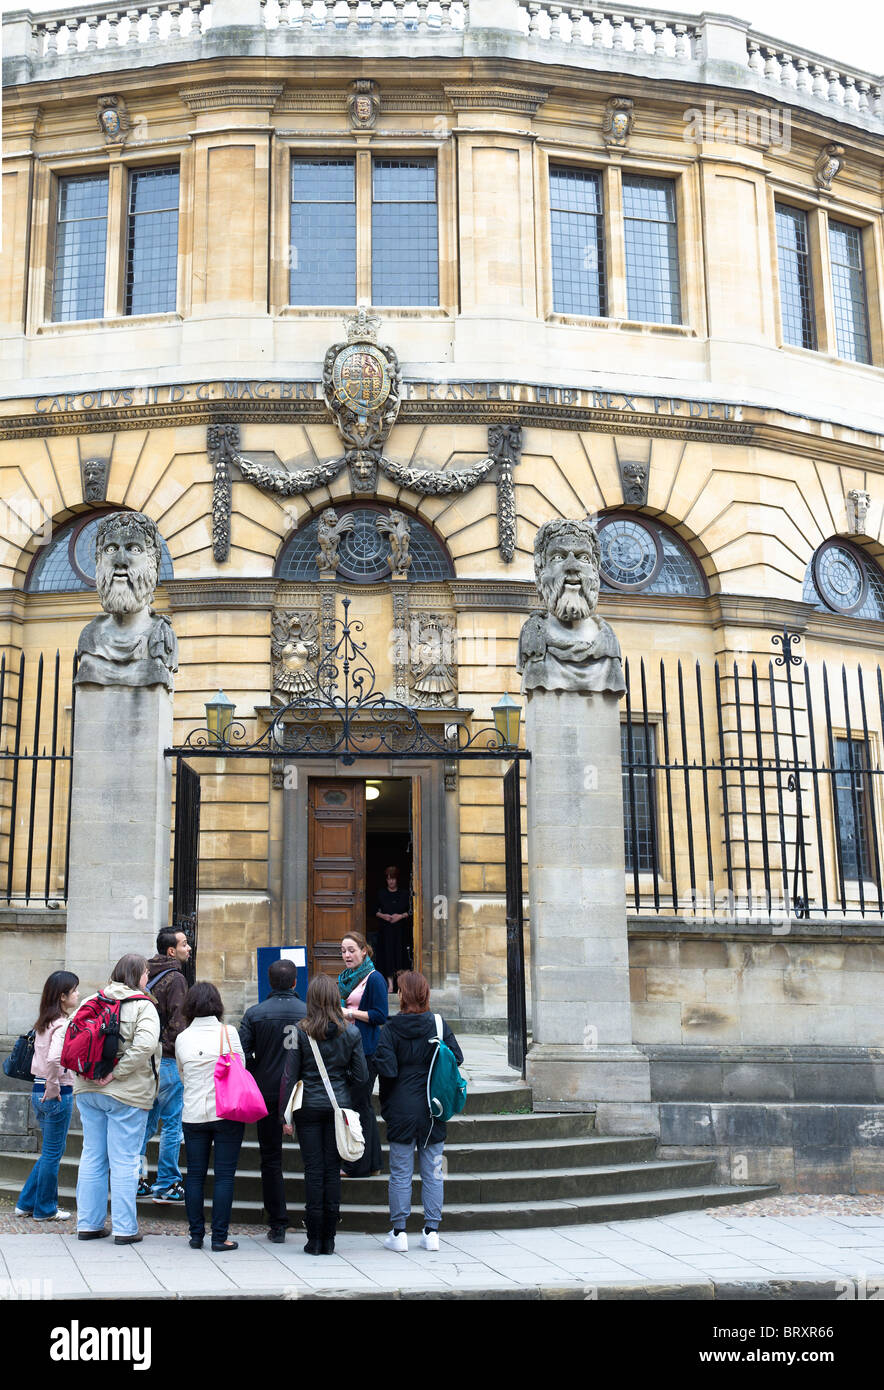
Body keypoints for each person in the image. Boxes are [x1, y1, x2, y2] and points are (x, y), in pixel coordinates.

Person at [74, 954, 161, 1245]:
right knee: (124, 1160)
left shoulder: (90, 1001)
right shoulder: (142, 1005)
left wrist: (93, 1074)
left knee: (92, 1156)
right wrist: (117, 1073)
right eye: (147, 974)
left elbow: (71, 1043)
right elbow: (146, 1045)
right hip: (127, 1092)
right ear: (138, 976)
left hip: (87, 1090)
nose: (148, 979)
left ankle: (88, 1224)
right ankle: (125, 1228)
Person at [375, 970, 463, 1253]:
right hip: (432, 1107)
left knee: (400, 1172)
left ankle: (399, 1233)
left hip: (401, 1107)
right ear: (425, 994)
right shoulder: (437, 1024)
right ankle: (431, 1231)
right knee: (434, 1171)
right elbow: (457, 1058)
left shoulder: (390, 1029)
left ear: (402, 995)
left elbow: (386, 1069)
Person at [280, 974, 368, 1255]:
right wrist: (343, 1088)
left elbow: (288, 1076)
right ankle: (329, 1238)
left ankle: (313, 1238)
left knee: (313, 1171)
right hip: (336, 1107)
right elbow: (362, 1076)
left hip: (307, 1108)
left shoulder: (297, 1031)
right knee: (332, 1171)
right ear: (335, 999)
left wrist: (285, 1116)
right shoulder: (351, 1033)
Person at [238, 958, 306, 1242]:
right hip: (303, 1092)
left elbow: (240, 1052)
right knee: (314, 1158)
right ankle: (317, 1216)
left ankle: (277, 1222)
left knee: (270, 1158)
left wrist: (258, 1066)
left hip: (267, 1092)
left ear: (269, 982)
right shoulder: (308, 1012)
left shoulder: (255, 1014)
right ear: (294, 983)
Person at [175, 981, 246, 1252]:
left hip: (193, 1113)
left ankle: (195, 1235)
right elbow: (241, 1068)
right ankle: (220, 1237)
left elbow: (183, 1073)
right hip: (226, 1111)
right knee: (224, 1176)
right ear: (217, 1005)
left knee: (194, 1175)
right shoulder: (228, 1033)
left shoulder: (183, 1038)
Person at [14, 971, 80, 1222]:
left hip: (38, 1090)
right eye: (73, 991)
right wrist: (54, 1086)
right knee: (53, 1153)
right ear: (62, 997)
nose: (77, 994)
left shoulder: (44, 1022)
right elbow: (54, 1058)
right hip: (55, 1091)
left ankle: (26, 1203)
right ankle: (45, 1208)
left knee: (50, 1152)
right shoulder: (62, 1024)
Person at [138, 927, 191, 1203]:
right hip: (169, 1059)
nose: (188, 948)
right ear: (171, 951)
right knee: (172, 1124)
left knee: (146, 1123)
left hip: (149, 1061)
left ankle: (136, 1179)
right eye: (184, 944)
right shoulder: (176, 978)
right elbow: (178, 1023)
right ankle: (168, 1183)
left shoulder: (146, 975)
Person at [338, 932, 387, 1178]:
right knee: (361, 1105)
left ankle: (357, 1164)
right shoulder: (345, 979)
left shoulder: (374, 978)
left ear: (363, 951)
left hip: (367, 1051)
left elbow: (380, 1015)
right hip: (347, 1050)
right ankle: (372, 1162)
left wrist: (350, 1013)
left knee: (359, 1105)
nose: (347, 955)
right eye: (344, 951)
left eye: (352, 950)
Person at [373, 864, 412, 991]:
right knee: (387, 955)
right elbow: (374, 910)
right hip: (386, 931)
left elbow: (411, 911)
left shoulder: (405, 894)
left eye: (393, 879)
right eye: (389, 879)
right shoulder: (381, 894)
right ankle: (390, 985)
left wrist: (400, 916)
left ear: (397, 880)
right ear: (386, 880)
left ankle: (400, 984)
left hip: (401, 931)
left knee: (400, 956)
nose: (391, 881)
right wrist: (384, 916)